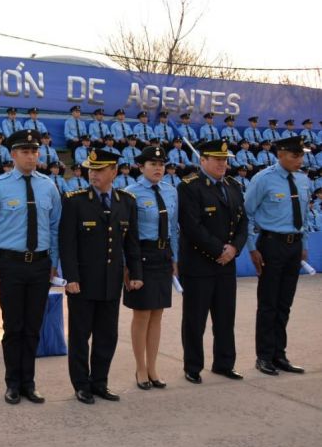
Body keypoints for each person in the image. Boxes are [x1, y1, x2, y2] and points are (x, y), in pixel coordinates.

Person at [0, 129, 61, 405]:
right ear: (13, 155)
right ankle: (12, 383)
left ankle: (29, 383)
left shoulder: (49, 186)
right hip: (10, 264)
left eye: (35, 151)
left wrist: (53, 263)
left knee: (34, 326)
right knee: (13, 326)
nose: (31, 156)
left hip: (39, 265)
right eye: (25, 151)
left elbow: (56, 227)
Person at [59, 148, 143, 405]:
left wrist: (136, 273)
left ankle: (100, 382)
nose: (93, 174)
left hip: (111, 281)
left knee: (107, 335)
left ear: (114, 172)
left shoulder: (126, 202)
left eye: (100, 169)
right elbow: (67, 243)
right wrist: (70, 277)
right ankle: (81, 384)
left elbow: (132, 242)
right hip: (82, 282)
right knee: (80, 336)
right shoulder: (75, 200)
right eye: (91, 169)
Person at [178, 139, 248, 384]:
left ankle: (224, 363)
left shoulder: (234, 186)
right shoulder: (189, 187)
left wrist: (235, 248)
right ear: (202, 160)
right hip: (199, 264)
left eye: (225, 159)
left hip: (227, 264)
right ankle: (193, 366)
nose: (222, 163)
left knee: (225, 317)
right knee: (195, 320)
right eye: (217, 159)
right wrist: (220, 250)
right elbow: (191, 226)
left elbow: (243, 223)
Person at [244, 136, 311, 376]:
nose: (300, 160)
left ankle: (279, 354)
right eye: (295, 156)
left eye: (301, 155)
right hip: (271, 244)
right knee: (268, 304)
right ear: (280, 154)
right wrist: (253, 248)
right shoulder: (263, 179)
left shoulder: (303, 180)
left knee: (285, 304)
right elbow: (247, 214)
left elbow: (302, 215)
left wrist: (302, 243)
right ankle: (263, 356)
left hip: (294, 246)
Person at [123, 146, 178, 390]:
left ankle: (153, 367)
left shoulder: (170, 191)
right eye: (152, 164)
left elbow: (174, 227)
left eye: (161, 164)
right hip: (140, 256)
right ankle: (140, 368)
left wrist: (174, 257)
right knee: (142, 314)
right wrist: (128, 266)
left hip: (163, 255)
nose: (158, 168)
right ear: (141, 166)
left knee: (158, 313)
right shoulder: (130, 193)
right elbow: (126, 234)